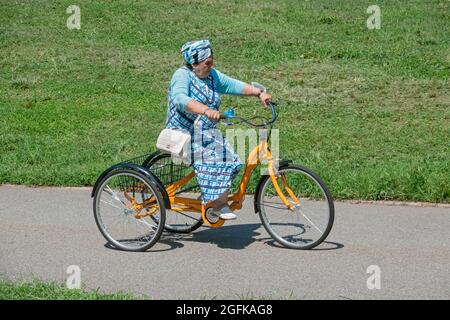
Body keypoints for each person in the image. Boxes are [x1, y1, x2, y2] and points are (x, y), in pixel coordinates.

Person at [165, 39, 272, 220]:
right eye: (207, 63)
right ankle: (219, 204)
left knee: (233, 159)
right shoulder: (182, 75)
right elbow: (180, 99)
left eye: (212, 61)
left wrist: (259, 93)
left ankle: (211, 199)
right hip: (183, 133)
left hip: (205, 132)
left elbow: (233, 85)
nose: (211, 65)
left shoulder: (212, 76)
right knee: (215, 159)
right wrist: (205, 110)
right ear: (194, 63)